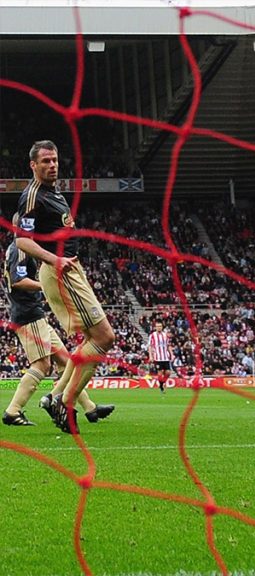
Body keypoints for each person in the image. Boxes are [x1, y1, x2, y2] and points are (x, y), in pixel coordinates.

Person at [15, 141, 117, 434]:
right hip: (59, 271)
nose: (52, 165)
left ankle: (56, 396)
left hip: (69, 269)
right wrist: (54, 260)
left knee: (92, 339)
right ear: (33, 165)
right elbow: (22, 241)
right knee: (103, 337)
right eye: (45, 161)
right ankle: (63, 399)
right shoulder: (33, 196)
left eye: (55, 160)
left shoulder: (53, 192)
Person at [2, 224, 114, 428]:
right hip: (28, 314)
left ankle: (89, 407)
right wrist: (47, 287)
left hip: (34, 313)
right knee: (42, 365)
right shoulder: (20, 249)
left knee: (66, 360)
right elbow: (17, 281)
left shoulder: (19, 249)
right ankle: (13, 411)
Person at [147, 320, 173, 393]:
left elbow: (168, 345)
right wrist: (151, 356)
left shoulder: (165, 335)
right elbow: (150, 346)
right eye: (157, 326)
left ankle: (162, 383)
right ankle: (161, 386)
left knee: (168, 373)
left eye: (160, 326)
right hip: (157, 357)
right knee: (160, 373)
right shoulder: (152, 335)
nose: (159, 328)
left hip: (165, 357)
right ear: (155, 327)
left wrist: (171, 354)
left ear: (162, 327)